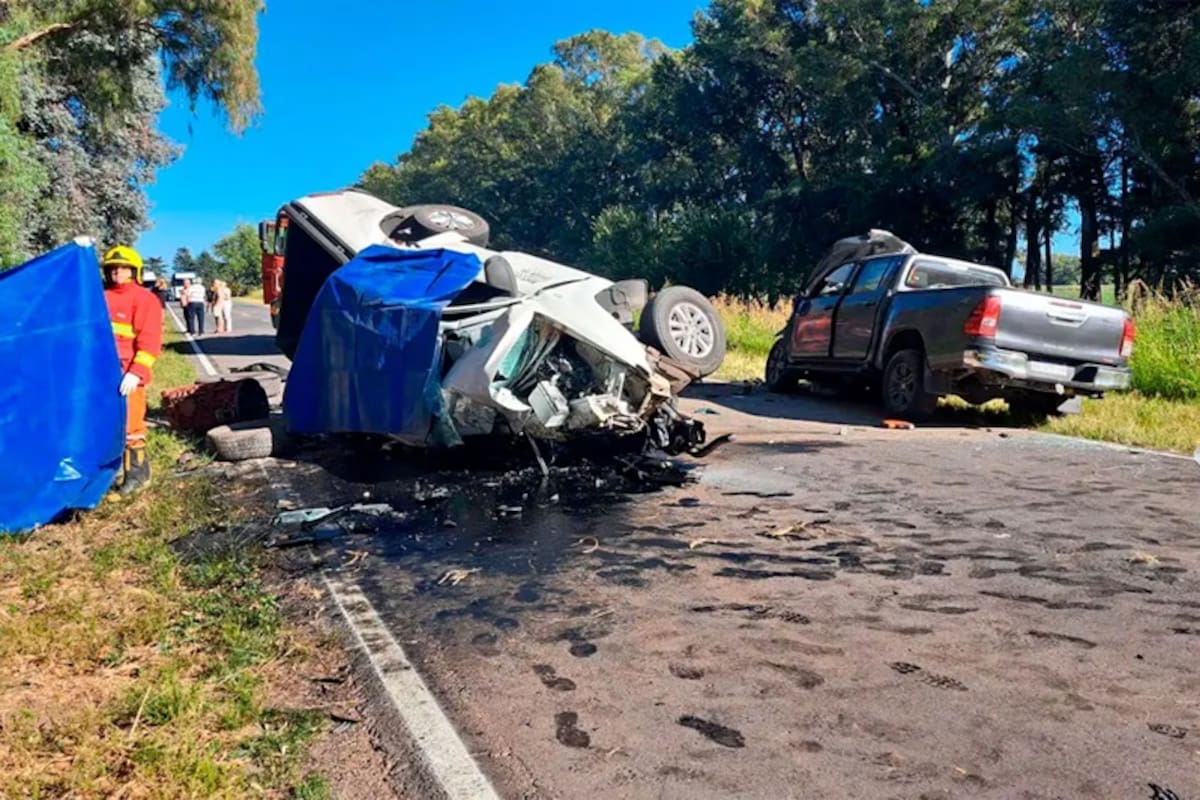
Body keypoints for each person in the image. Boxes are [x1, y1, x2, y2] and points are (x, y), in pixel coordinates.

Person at [102, 245, 162, 496]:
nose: (118, 272)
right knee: (106, 427)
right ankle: (108, 475)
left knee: (131, 427)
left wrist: (136, 372)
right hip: (102, 374)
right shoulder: (99, 296)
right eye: (113, 268)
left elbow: (150, 341)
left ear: (135, 271)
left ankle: (137, 476)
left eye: (124, 268)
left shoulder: (144, 299)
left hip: (129, 376)